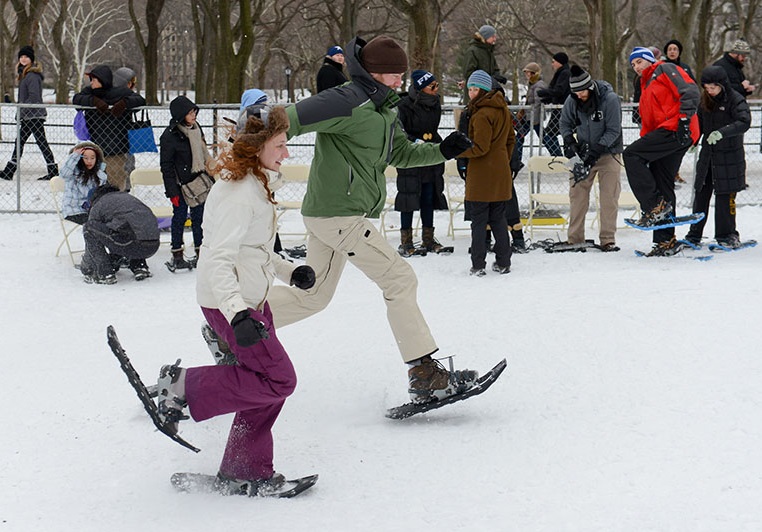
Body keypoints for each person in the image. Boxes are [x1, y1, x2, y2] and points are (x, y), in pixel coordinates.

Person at [267, 35, 477, 403]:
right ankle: (424, 372)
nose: (401, 81)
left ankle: (233, 329)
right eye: (395, 75)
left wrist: (442, 150)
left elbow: (400, 153)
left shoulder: (384, 109)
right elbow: (287, 121)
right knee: (399, 278)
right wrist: (255, 162)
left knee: (313, 296)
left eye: (402, 74)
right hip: (338, 215)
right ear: (375, 73)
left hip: (330, 214)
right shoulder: (346, 100)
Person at [154, 105, 316, 495]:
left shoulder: (255, 182)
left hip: (253, 300)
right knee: (279, 379)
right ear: (257, 146)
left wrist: (287, 270)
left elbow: (253, 248)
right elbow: (217, 258)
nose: (286, 153)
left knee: (264, 387)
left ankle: (246, 467)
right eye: (279, 145)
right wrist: (237, 313)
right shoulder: (238, 193)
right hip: (233, 303)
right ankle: (181, 387)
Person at [623, 46, 700, 256]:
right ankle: (665, 241)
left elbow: (691, 91)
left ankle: (655, 205)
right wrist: (646, 144)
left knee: (630, 154)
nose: (636, 67)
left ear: (649, 60)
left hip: (676, 129)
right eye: (632, 65)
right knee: (662, 179)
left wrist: (684, 121)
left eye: (638, 62)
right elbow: (648, 120)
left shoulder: (665, 69)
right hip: (664, 131)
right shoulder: (644, 84)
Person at [684, 66, 751, 248]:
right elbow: (698, 123)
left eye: (713, 87)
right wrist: (693, 140)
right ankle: (694, 234)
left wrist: (723, 132)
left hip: (729, 157)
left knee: (724, 197)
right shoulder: (705, 101)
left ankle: (727, 234)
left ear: (722, 85)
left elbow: (744, 121)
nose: (709, 91)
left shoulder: (735, 99)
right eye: (706, 87)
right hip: (708, 156)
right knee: (701, 194)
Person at [560, 65, 623, 252]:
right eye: (576, 92)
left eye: (581, 91)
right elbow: (565, 123)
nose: (579, 95)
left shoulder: (609, 100)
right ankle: (575, 238)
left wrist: (596, 151)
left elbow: (613, 130)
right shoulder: (572, 100)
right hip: (583, 153)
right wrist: (569, 142)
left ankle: (607, 239)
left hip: (607, 153)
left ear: (590, 87)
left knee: (609, 198)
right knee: (577, 196)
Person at [458, 70, 514, 276]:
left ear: (484, 90)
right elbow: (511, 140)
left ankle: (478, 264)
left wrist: (457, 151)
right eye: (469, 89)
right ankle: (504, 261)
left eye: (475, 89)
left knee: (479, 220)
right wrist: (502, 159)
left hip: (481, 174)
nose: (471, 93)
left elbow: (479, 147)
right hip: (500, 171)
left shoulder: (481, 114)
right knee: (499, 218)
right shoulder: (503, 109)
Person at [395, 69, 448, 256]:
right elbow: (400, 130)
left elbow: (433, 129)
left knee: (428, 196)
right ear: (420, 88)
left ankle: (428, 239)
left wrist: (438, 145)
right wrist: (415, 141)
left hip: (429, 155)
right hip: (410, 155)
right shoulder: (404, 105)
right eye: (431, 86)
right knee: (408, 197)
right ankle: (406, 241)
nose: (435, 89)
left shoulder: (435, 104)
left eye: (436, 85)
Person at [72, 65, 146, 191]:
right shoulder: (90, 92)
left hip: (116, 148)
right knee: (96, 183)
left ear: (102, 80)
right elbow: (76, 99)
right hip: (96, 146)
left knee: (116, 183)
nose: (91, 83)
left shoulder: (119, 92)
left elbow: (140, 100)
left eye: (94, 80)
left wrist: (124, 103)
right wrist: (93, 101)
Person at [160, 95, 212, 271]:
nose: (194, 115)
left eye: (194, 111)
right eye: (190, 112)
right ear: (181, 114)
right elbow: (166, 166)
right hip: (180, 186)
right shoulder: (169, 136)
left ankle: (201, 253)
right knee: (180, 218)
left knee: (199, 219)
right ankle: (177, 254)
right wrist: (172, 192)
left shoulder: (197, 129)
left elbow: (203, 154)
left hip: (198, 182)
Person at [0, 46, 58, 181]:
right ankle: (10, 170)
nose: (23, 59)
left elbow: (34, 97)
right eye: (21, 57)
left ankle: (53, 171)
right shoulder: (25, 75)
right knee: (20, 142)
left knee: (40, 142)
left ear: (31, 59)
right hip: (28, 115)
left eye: (26, 57)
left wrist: (22, 110)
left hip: (34, 115)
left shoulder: (32, 76)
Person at [80, 184, 159, 283]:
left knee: (89, 227)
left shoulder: (98, 204)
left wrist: (86, 266)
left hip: (130, 243)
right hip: (153, 244)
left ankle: (104, 273)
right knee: (133, 227)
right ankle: (139, 266)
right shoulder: (126, 198)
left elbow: (93, 236)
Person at [514, 61, 562, 160]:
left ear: (534, 73)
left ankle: (558, 156)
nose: (526, 75)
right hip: (529, 117)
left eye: (528, 72)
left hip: (533, 117)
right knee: (521, 137)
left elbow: (537, 104)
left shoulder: (538, 85)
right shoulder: (532, 84)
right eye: (526, 73)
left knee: (542, 138)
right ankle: (517, 159)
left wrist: (534, 119)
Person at [60, 141, 108, 224]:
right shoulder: (72, 173)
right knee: (97, 224)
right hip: (74, 211)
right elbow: (63, 174)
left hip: (92, 211)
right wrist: (74, 156)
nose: (89, 161)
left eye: (92, 158)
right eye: (85, 158)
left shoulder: (99, 175)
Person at [462, 24, 507, 104]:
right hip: (475, 95)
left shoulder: (489, 52)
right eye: (493, 36)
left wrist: (496, 77)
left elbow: (495, 69)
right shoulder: (472, 51)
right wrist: (488, 78)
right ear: (486, 37)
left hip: (488, 94)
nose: (494, 39)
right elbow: (468, 73)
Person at [536, 52, 570, 155]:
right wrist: (548, 98)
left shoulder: (565, 73)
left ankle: (560, 156)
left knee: (552, 133)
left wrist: (545, 93)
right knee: (557, 133)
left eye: (554, 61)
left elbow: (560, 91)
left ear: (559, 62)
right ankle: (561, 156)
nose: (552, 64)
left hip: (562, 110)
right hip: (559, 109)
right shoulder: (561, 73)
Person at [112, 67, 140, 178]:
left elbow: (139, 102)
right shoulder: (112, 95)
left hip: (126, 137)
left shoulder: (129, 98)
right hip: (116, 138)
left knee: (128, 164)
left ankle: (127, 187)